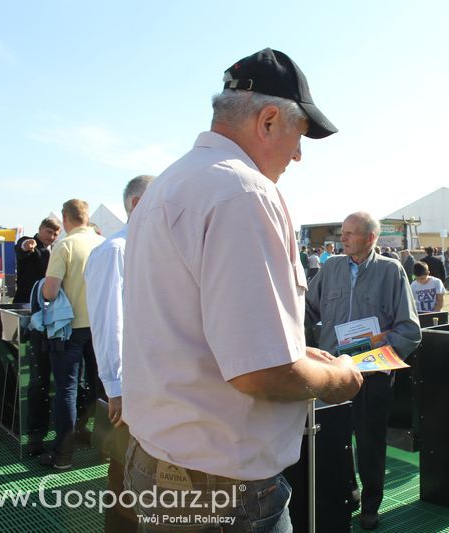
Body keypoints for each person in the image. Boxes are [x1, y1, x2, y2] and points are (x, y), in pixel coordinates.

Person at [121, 48, 362, 531]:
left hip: (158, 464)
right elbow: (260, 372)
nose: (298, 154)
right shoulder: (244, 193)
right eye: (299, 136)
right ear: (269, 120)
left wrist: (294, 353)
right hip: (223, 490)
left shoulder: (170, 184)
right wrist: (341, 380)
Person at [306, 211, 421, 530]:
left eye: (350, 233)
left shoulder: (391, 271)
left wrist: (378, 358)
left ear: (371, 238)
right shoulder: (330, 268)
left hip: (372, 377)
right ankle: (347, 494)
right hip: (331, 375)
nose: (341, 238)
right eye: (342, 232)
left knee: (370, 442)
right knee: (332, 439)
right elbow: (309, 310)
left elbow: (410, 329)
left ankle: (371, 504)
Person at [84, 174, 154, 531]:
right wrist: (117, 389)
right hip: (127, 389)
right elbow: (108, 323)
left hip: (150, 388)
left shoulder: (148, 248)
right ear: (138, 205)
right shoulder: (114, 250)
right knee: (122, 476)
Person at [38, 199, 105, 469]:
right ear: (87, 218)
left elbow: (50, 292)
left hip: (71, 328)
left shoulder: (64, 245)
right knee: (102, 385)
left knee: (67, 388)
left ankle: (63, 455)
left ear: (65, 218)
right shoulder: (103, 243)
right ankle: (107, 448)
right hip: (101, 327)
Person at [13, 217, 61, 304]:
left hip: (50, 304)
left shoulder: (58, 250)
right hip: (26, 302)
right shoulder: (31, 243)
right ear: (40, 229)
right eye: (49, 232)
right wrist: (26, 245)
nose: (51, 237)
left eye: (55, 234)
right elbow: (21, 247)